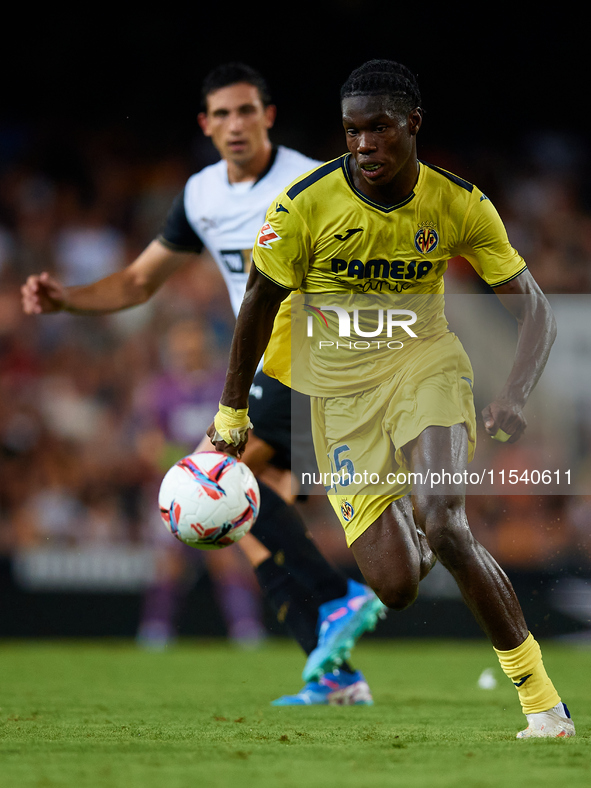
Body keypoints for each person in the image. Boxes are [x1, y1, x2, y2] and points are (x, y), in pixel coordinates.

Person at [207, 59, 575, 738]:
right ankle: (409, 504)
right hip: (339, 402)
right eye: (352, 130)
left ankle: (542, 704)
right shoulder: (303, 203)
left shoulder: (457, 203)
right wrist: (231, 411)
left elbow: (536, 308)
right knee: (396, 586)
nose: (364, 144)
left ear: (413, 124)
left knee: (443, 522)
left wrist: (516, 393)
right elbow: (258, 300)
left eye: (379, 128)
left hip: (423, 368)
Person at [20, 62, 388, 706]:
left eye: (247, 110)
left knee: (213, 482)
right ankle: (334, 673)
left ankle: (337, 598)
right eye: (221, 114)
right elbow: (138, 282)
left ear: (268, 116)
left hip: (324, 361)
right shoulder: (201, 197)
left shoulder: (311, 181)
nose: (235, 124)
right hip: (270, 371)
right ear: (205, 125)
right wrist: (65, 301)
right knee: (236, 515)